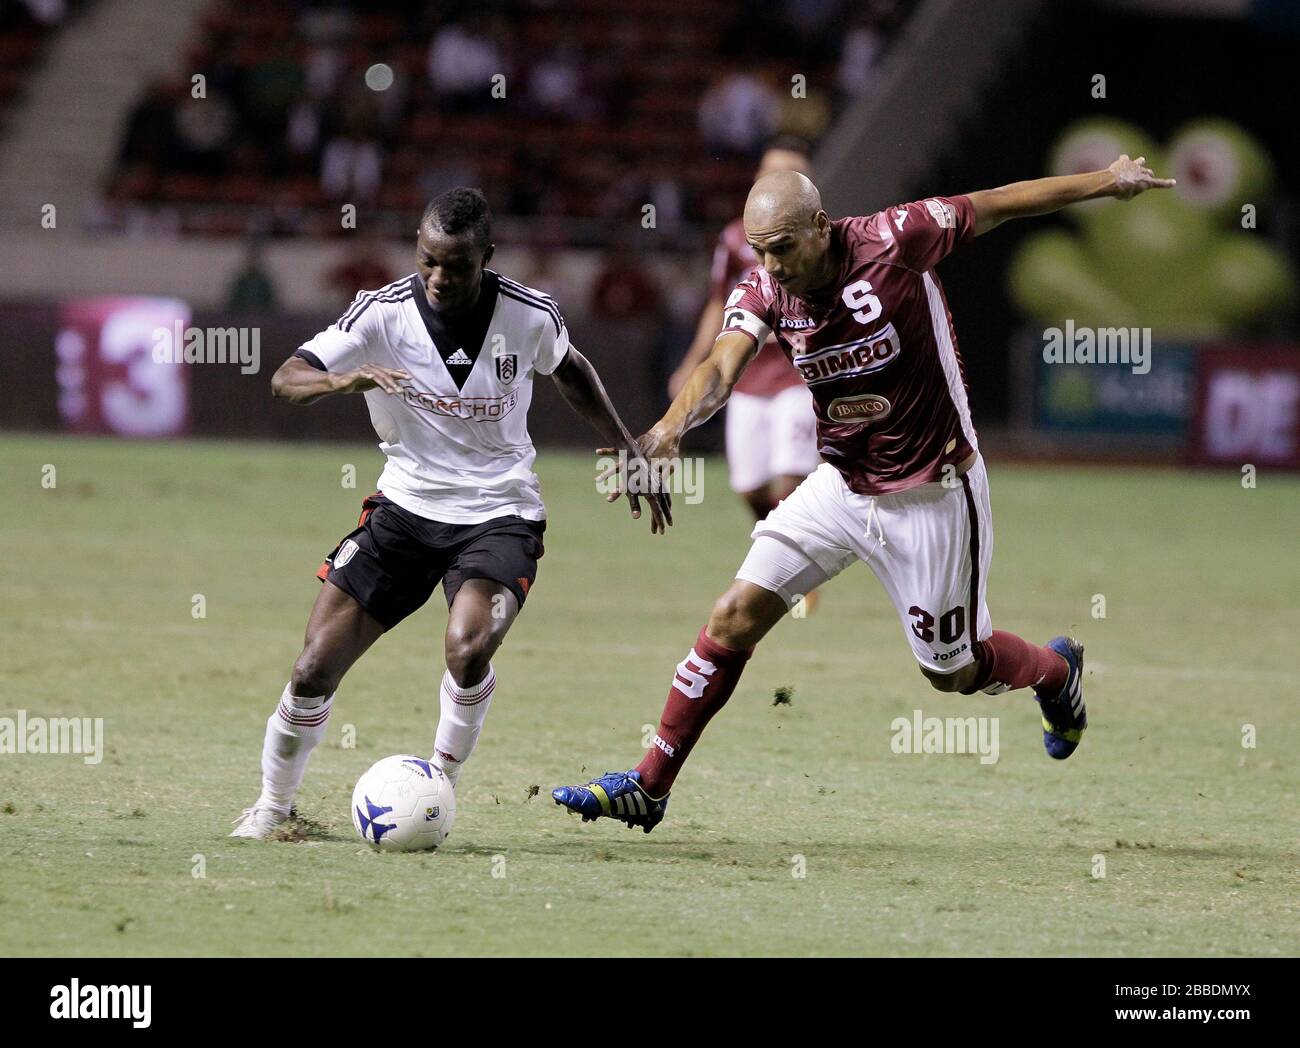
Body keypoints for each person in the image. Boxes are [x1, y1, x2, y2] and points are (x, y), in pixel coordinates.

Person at [553, 156, 1175, 832]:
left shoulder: (897, 238)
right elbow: (721, 365)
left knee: (953, 671)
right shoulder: (765, 288)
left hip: (933, 491)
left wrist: (1105, 181)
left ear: (821, 226)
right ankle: (650, 784)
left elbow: (999, 201)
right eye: (761, 251)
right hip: (840, 488)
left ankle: (1056, 673)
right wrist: (671, 428)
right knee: (733, 616)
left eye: (784, 247)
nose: (773, 264)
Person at [231, 188, 670, 838]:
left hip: (500, 514)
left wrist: (628, 448)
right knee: (311, 668)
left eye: (455, 266)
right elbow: (286, 377)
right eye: (428, 260)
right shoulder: (381, 316)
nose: (438, 277)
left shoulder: (528, 314)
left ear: (485, 258)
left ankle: (439, 784)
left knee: (467, 649)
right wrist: (340, 382)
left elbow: (570, 369)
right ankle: (273, 807)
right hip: (403, 513)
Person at [668, 138, 822, 533]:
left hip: (799, 373)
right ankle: (790, 546)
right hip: (746, 376)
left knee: (792, 475)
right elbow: (719, 303)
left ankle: (799, 576)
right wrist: (692, 362)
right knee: (749, 486)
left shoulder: (819, 238)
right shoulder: (735, 239)